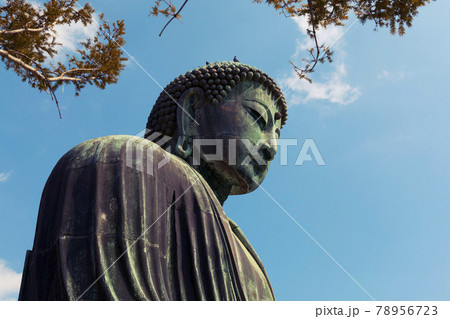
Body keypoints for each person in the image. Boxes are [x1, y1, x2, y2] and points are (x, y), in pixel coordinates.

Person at [18, 61, 288, 300]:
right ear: (193, 112)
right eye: (257, 118)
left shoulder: (250, 260)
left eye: (277, 133)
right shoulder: (120, 159)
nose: (271, 147)